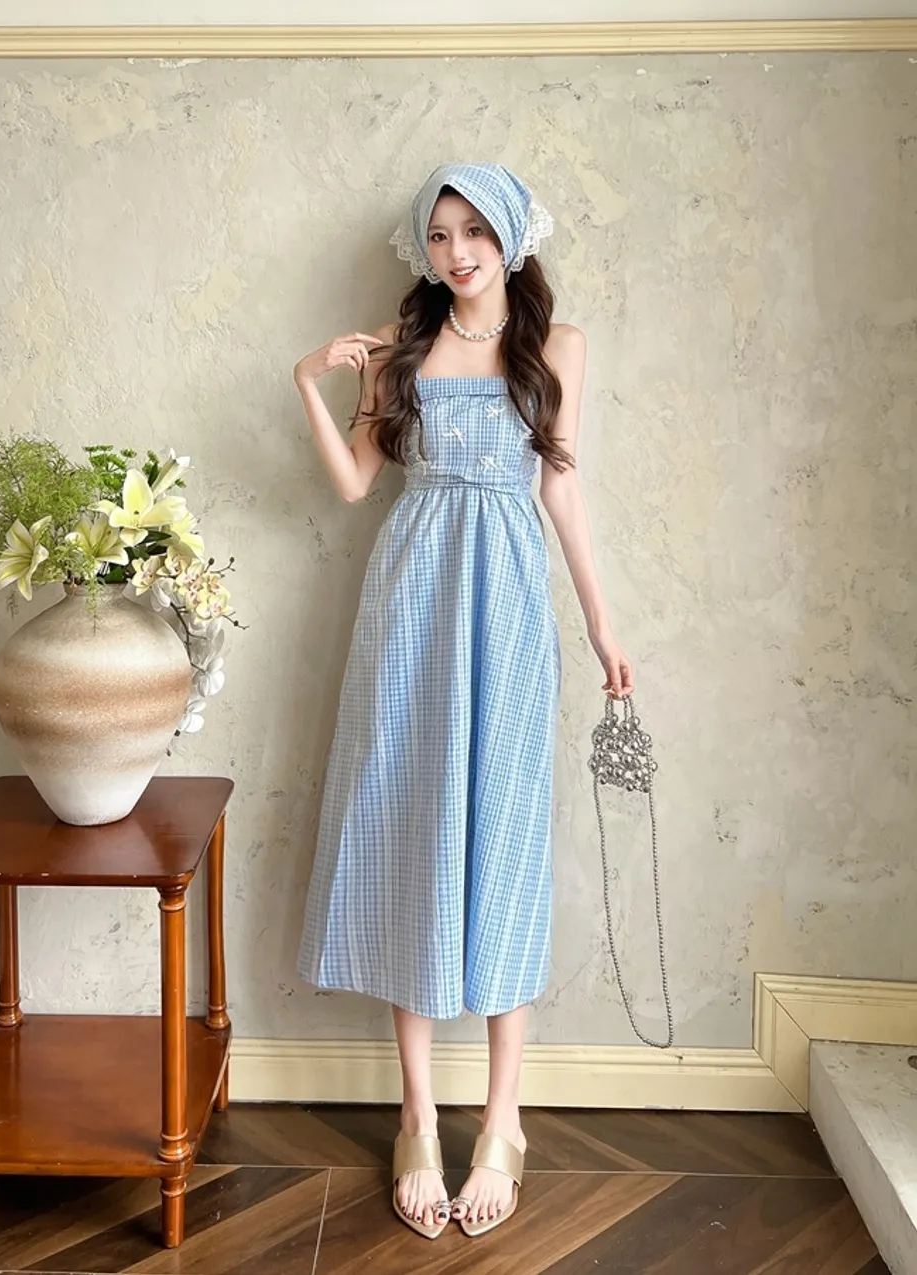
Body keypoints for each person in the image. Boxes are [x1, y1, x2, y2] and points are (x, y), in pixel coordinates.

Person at [292, 162, 634, 1241]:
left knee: (504, 843)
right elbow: (356, 483)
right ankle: (416, 1116)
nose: (457, 251)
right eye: (439, 234)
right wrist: (307, 379)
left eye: (475, 230)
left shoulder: (556, 347)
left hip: (512, 615)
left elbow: (560, 486)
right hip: (410, 611)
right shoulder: (402, 348)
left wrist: (602, 624)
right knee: (415, 838)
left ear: (513, 237)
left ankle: (501, 1120)